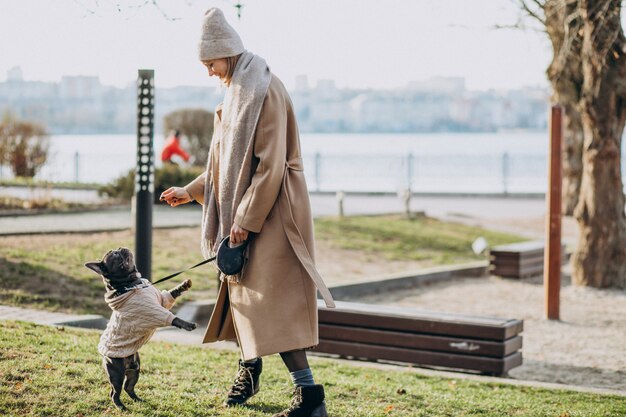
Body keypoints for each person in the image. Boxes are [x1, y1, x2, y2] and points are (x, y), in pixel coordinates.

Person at [159, 7, 335, 417]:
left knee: (271, 302)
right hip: (252, 209)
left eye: (210, 63)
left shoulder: (264, 89)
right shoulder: (237, 91)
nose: (208, 72)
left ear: (227, 53)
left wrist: (244, 220)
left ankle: (310, 396)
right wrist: (191, 190)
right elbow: (224, 164)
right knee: (244, 294)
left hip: (275, 212)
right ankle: (251, 369)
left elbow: (270, 164)